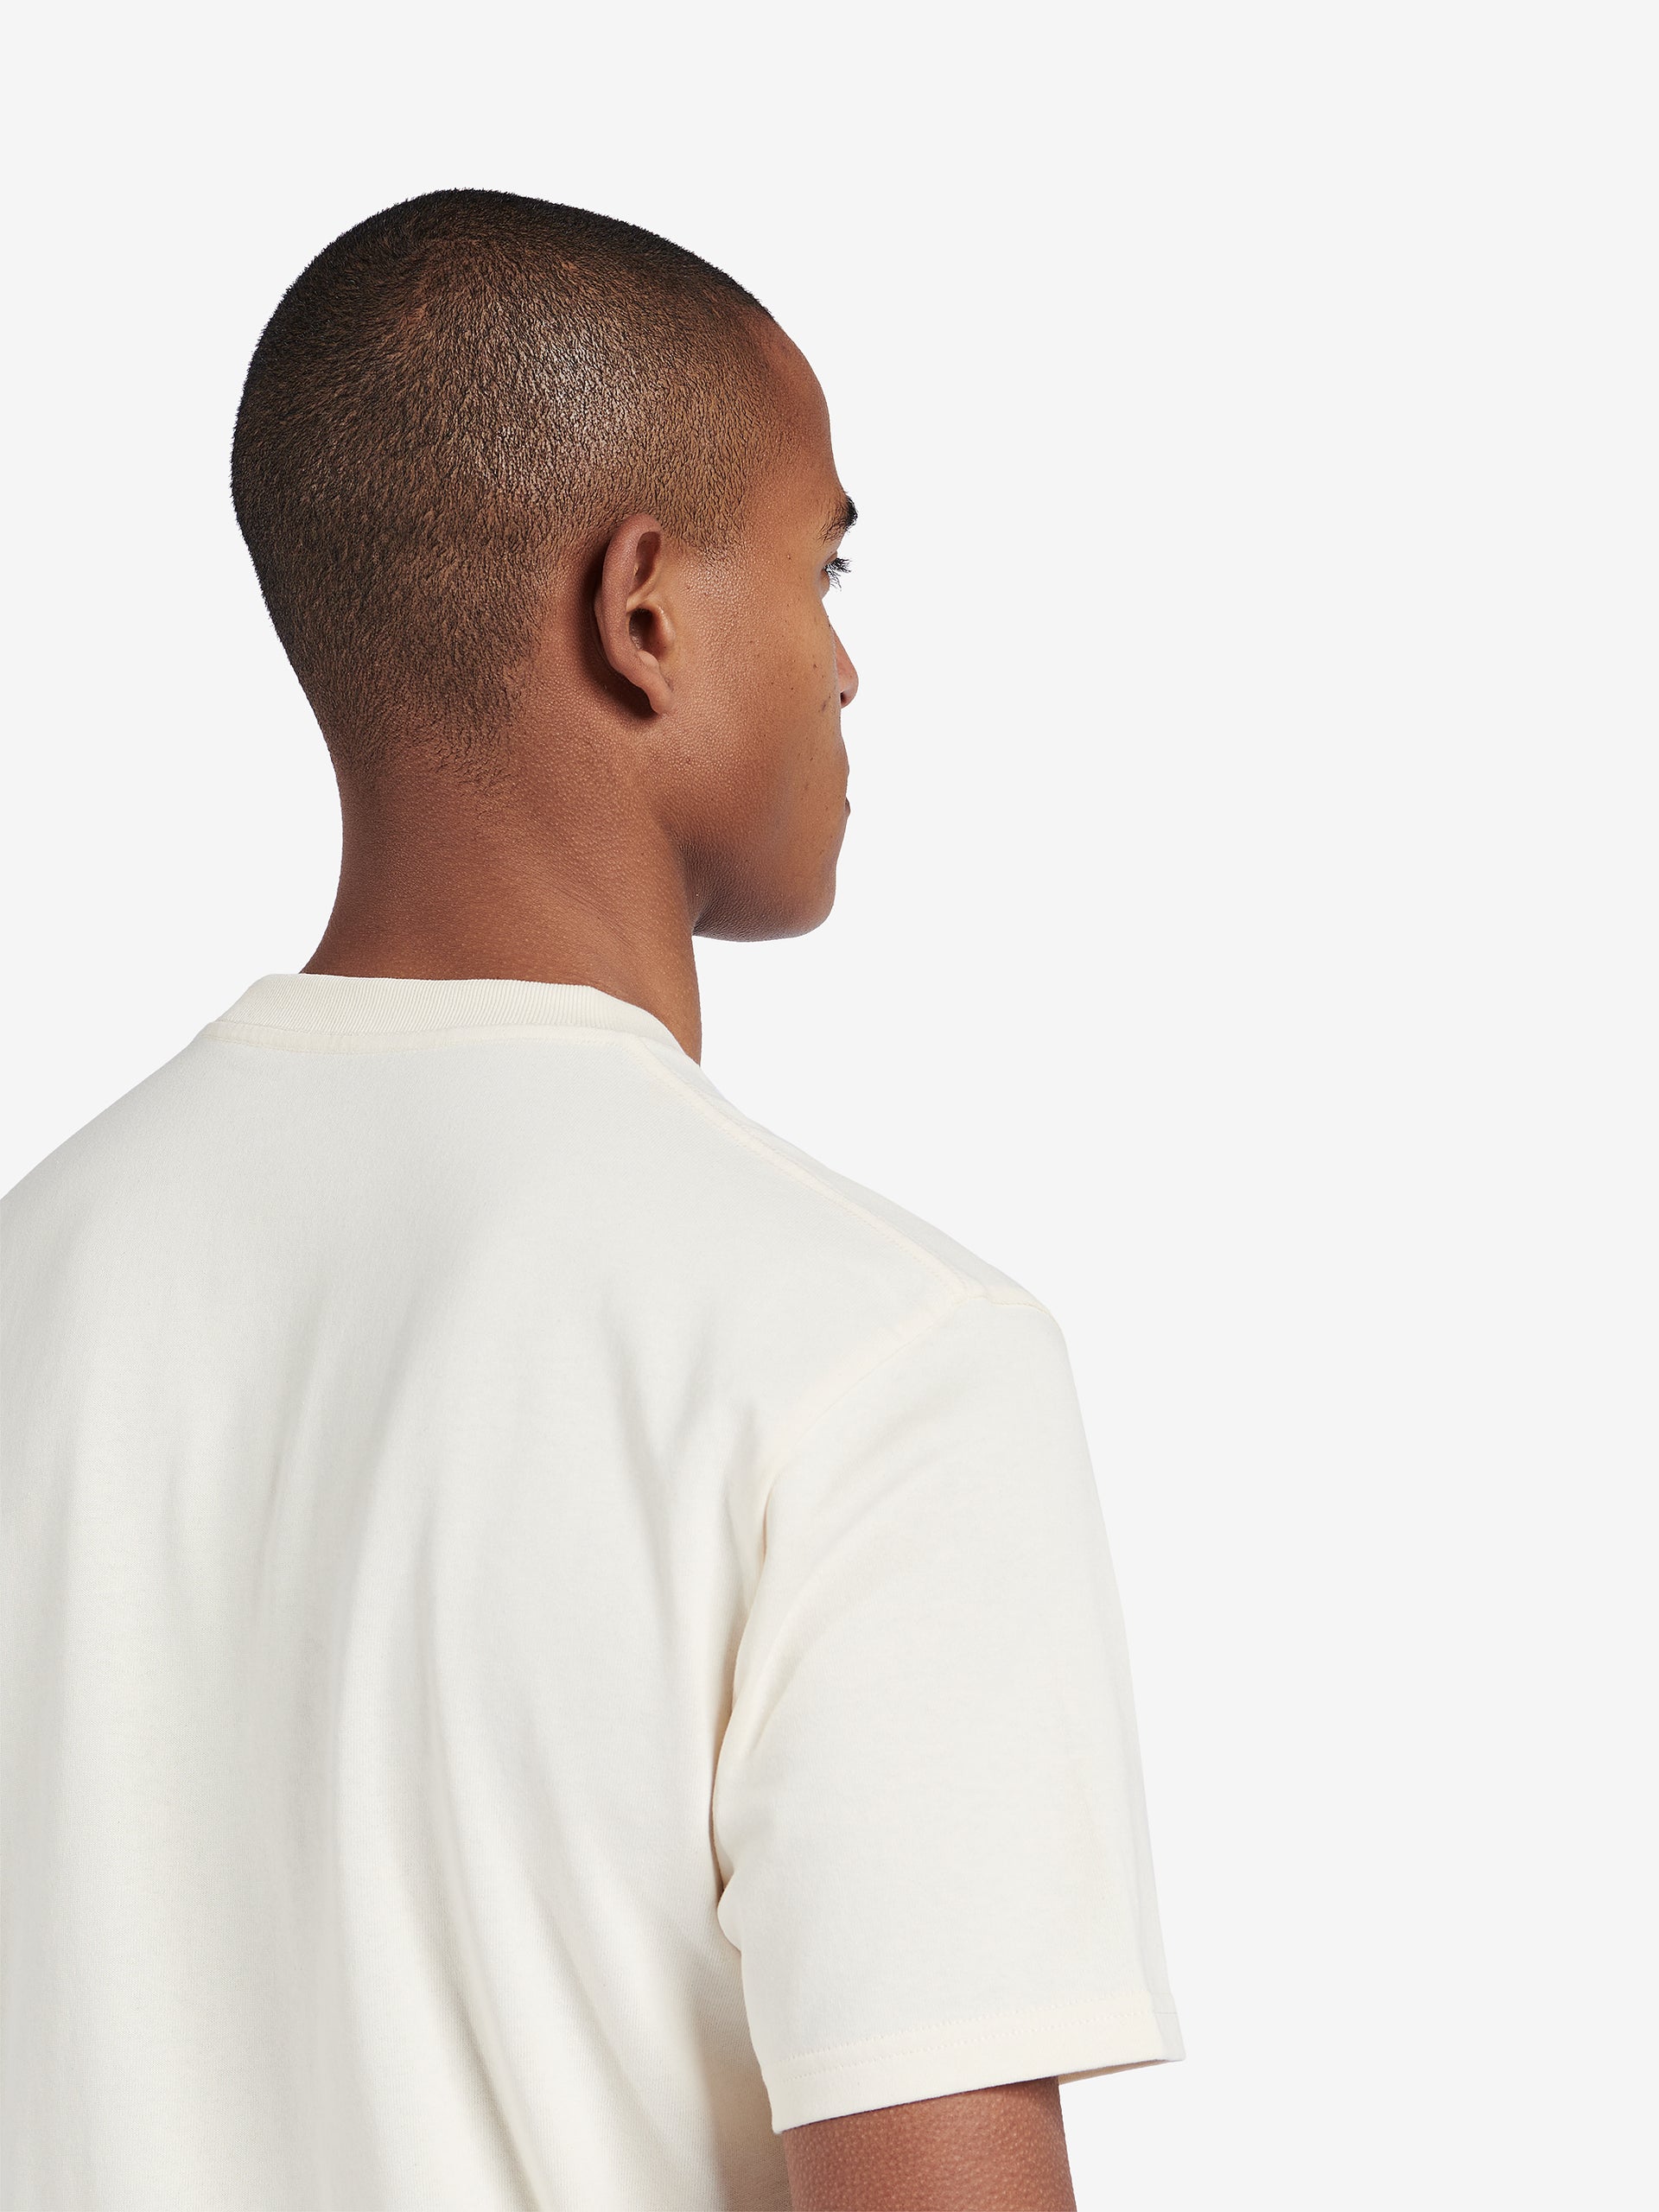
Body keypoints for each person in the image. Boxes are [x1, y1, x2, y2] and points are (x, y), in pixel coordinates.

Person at [0, 190, 1182, 2211]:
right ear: (640, 611)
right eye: (822, 567)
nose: (846, 666)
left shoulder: (38, 1281)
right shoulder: (881, 1363)